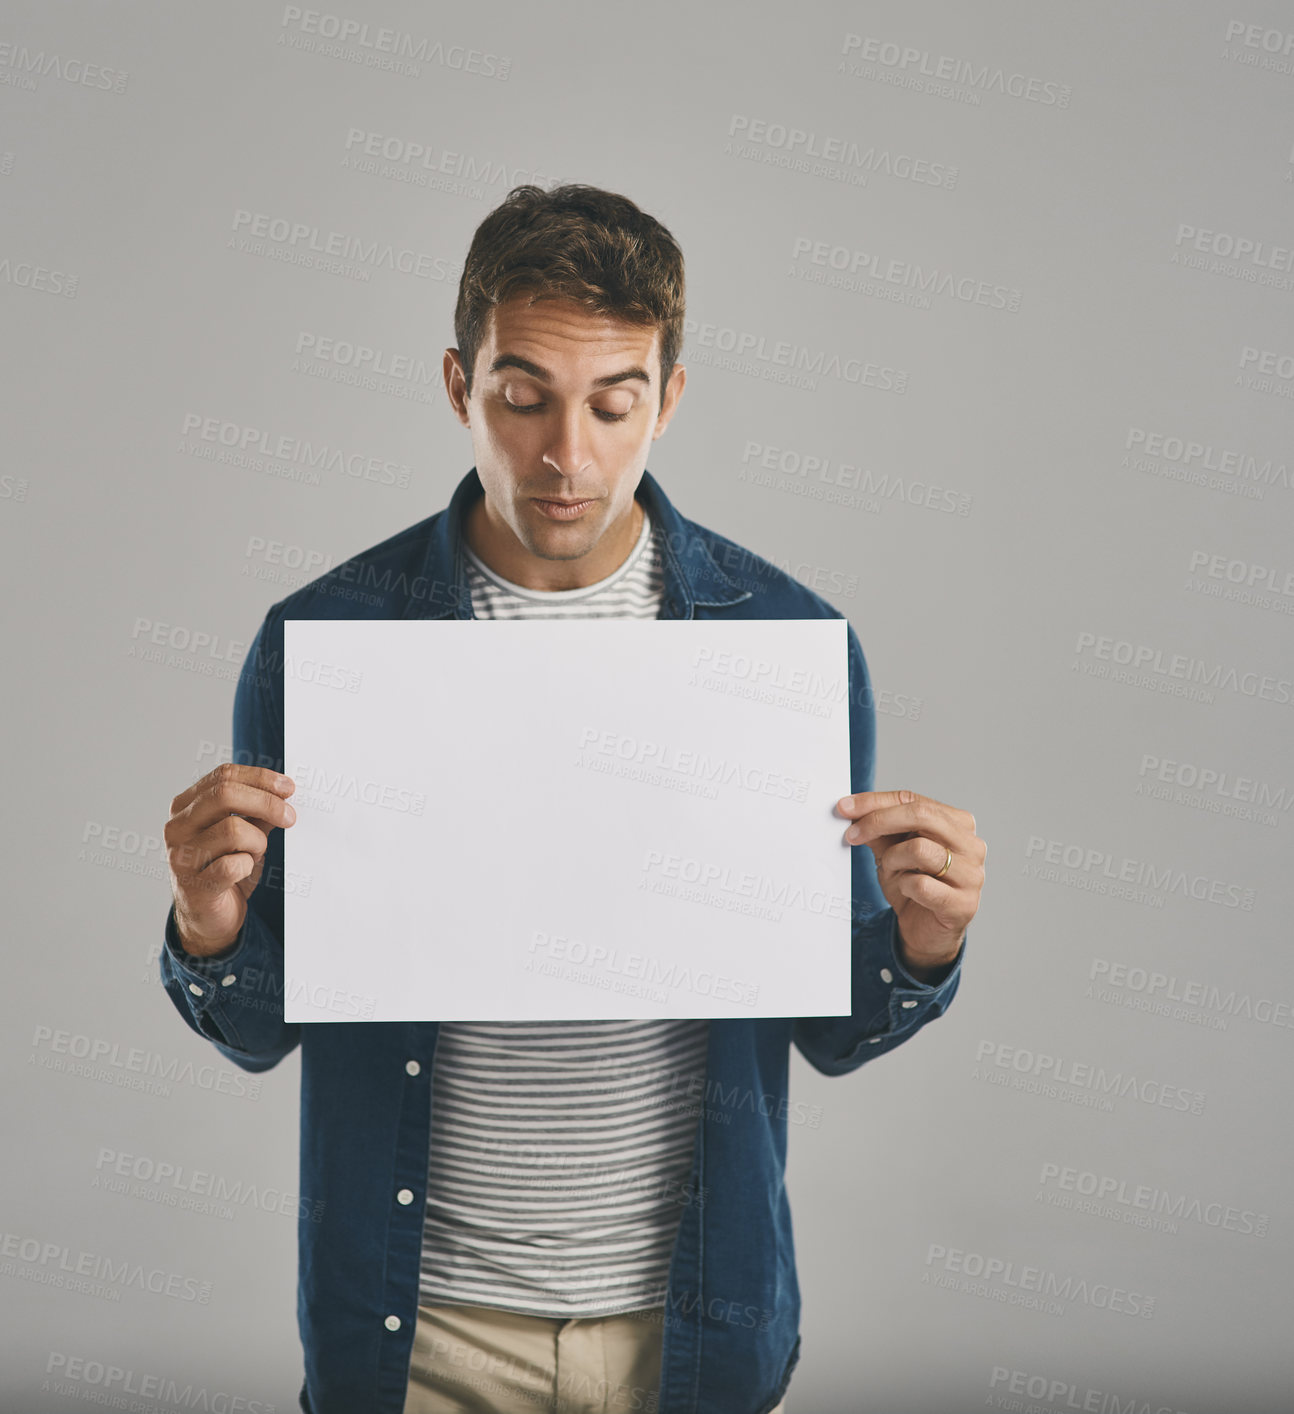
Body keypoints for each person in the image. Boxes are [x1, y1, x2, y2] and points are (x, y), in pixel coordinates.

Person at [160, 184, 984, 1414]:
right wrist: (208, 926)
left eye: (614, 402)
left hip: (691, 1317)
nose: (566, 454)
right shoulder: (326, 641)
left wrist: (925, 941)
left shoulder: (788, 644)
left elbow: (823, 1026)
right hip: (419, 1319)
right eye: (521, 395)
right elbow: (264, 1026)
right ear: (458, 387)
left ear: (670, 397)